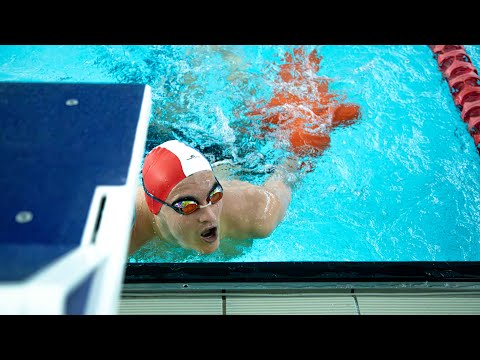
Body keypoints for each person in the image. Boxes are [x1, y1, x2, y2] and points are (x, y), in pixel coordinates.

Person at [128, 46, 361, 257]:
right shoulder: (125, 233)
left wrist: (307, 143)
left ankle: (229, 56)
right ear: (153, 206)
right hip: (150, 153)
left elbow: (285, 176)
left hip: (221, 158)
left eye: (215, 195)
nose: (209, 216)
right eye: (188, 206)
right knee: (175, 104)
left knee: (244, 116)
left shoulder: (256, 212)